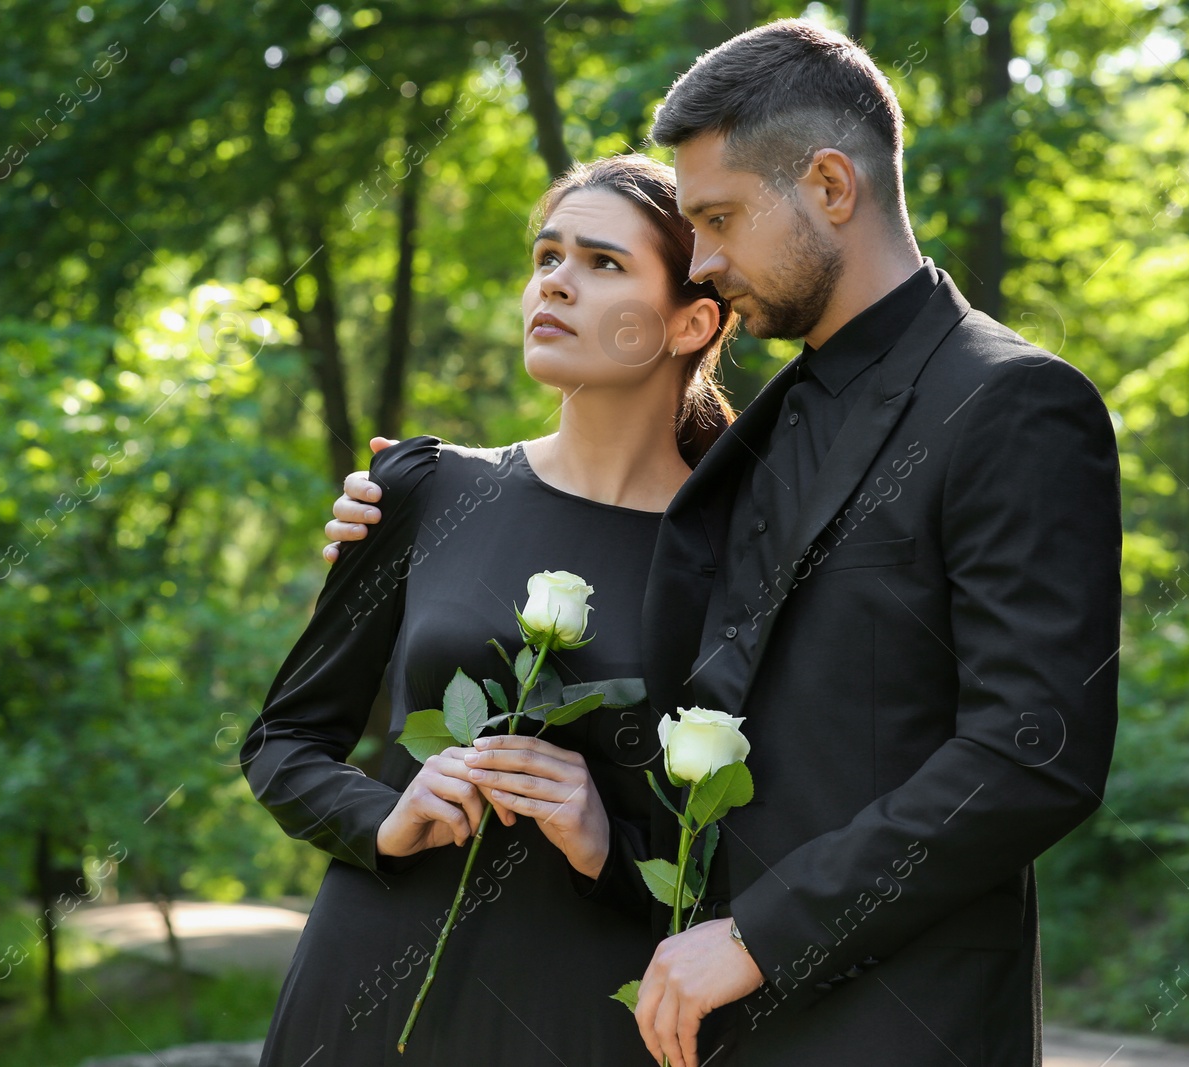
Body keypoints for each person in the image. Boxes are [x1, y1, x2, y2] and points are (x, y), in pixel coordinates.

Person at [325, 19, 1122, 1067]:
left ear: (831, 186)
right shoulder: (758, 434)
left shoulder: (1012, 402)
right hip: (699, 1028)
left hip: (896, 1025)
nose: (701, 259)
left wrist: (758, 935)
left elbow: (1029, 756)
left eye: (717, 218)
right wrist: (407, 530)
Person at [242, 153, 738, 1065]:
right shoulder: (424, 488)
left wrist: (608, 843)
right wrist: (383, 817)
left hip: (589, 1021)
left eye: (603, 264)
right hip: (363, 994)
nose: (554, 281)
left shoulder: (743, 556)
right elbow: (282, 740)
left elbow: (760, 846)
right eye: (547, 255)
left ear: (690, 321)